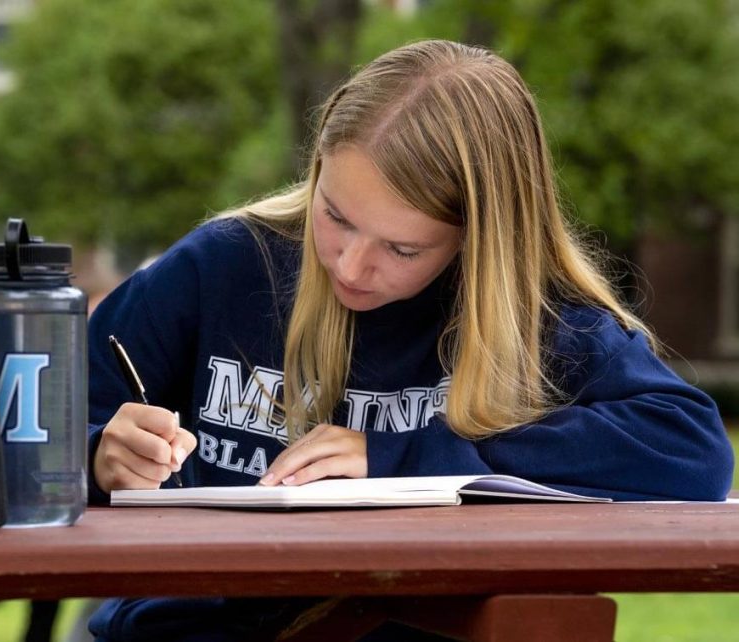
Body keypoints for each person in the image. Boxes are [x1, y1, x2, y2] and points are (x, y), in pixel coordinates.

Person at [84, 39, 735, 641]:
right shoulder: (227, 264)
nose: (350, 265)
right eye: (335, 216)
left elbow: (688, 448)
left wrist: (407, 460)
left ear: (476, 240)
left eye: (401, 248)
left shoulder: (536, 321)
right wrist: (94, 456)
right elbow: (29, 418)